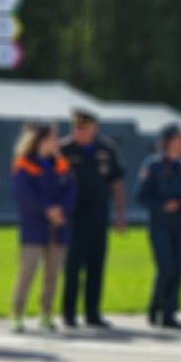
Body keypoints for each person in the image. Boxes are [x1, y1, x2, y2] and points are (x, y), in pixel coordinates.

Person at [58, 109, 127, 329]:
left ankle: (92, 313)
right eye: (76, 127)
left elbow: (116, 183)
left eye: (84, 127)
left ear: (93, 128)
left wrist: (119, 214)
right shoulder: (63, 150)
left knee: (96, 264)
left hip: (98, 214)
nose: (79, 132)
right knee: (73, 266)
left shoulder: (106, 149)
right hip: (74, 216)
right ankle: (69, 314)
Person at [9, 122, 76, 333]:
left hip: (58, 227)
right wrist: (47, 210)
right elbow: (23, 194)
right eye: (53, 137)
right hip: (33, 228)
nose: (56, 141)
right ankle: (16, 315)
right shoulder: (24, 163)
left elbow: (72, 190)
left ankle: (45, 315)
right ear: (41, 140)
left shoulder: (61, 163)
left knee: (52, 274)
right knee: (27, 272)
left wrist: (60, 210)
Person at [136, 123, 181, 329]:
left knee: (178, 268)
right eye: (178, 139)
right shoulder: (154, 165)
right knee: (166, 267)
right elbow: (141, 196)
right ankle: (155, 307)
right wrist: (162, 205)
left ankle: (169, 313)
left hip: (179, 224)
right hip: (159, 223)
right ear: (168, 141)